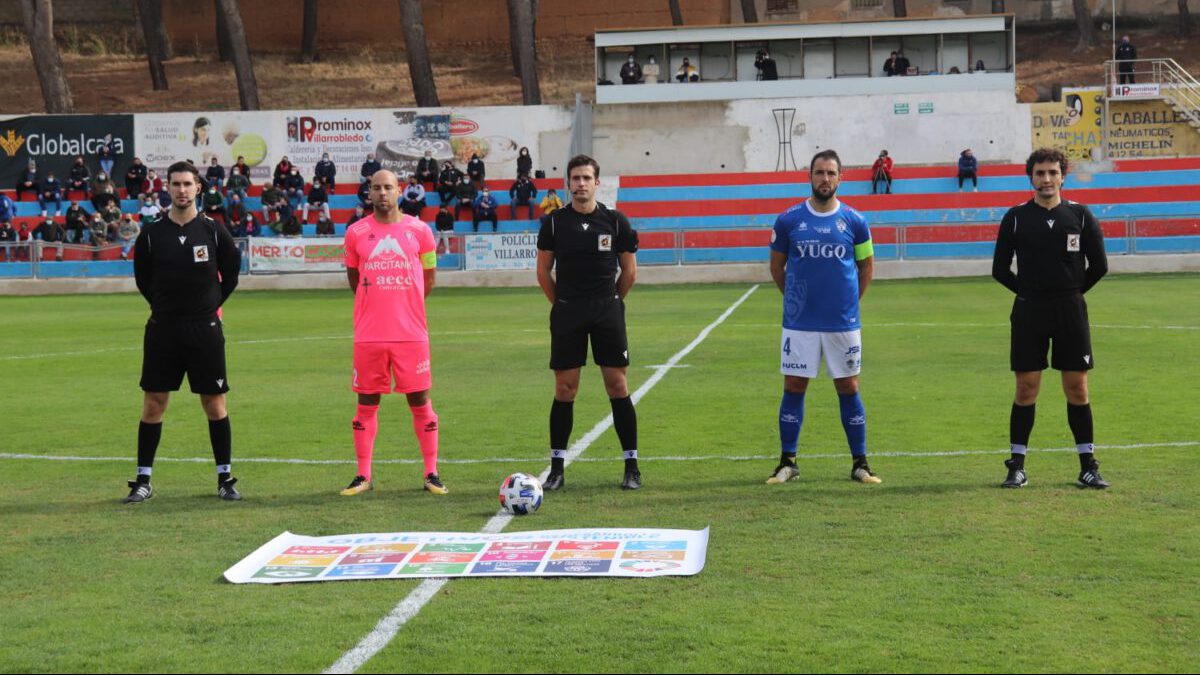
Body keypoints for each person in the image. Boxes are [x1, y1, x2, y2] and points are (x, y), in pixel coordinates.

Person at [992, 148, 1110, 490]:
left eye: (1052, 173)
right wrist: (1028, 293)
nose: (1046, 179)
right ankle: (1016, 466)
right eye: (1040, 173)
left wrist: (1071, 292)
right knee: (1026, 388)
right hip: (1030, 311)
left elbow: (1099, 266)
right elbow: (1000, 270)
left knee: (1077, 388)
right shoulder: (1015, 217)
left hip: (1070, 311)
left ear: (1062, 176)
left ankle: (1088, 466)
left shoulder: (1081, 215)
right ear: (1031, 177)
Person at [125, 160, 242, 504]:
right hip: (163, 329)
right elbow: (143, 279)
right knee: (153, 404)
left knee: (214, 403)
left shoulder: (213, 231)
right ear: (167, 188)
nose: (181, 190)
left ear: (198, 188)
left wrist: (209, 305)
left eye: (187, 184)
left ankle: (225, 478)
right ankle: (143, 480)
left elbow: (232, 274)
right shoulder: (151, 233)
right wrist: (164, 307)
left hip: (204, 330)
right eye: (175, 184)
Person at [766, 149, 880, 486]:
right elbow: (777, 266)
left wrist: (848, 302)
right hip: (800, 323)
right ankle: (788, 462)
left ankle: (860, 463)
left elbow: (866, 267)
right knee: (794, 385)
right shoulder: (788, 220)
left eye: (831, 173)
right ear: (810, 176)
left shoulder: (856, 222)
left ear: (840, 178)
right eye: (819, 173)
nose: (825, 179)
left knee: (848, 385)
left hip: (842, 323)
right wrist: (795, 301)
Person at [536, 155, 641, 491]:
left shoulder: (615, 221)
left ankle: (631, 466)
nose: (580, 184)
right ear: (568, 184)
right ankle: (556, 470)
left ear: (597, 183)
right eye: (575, 178)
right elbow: (543, 272)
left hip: (607, 311)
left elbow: (630, 272)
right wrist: (565, 305)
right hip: (568, 312)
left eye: (586, 178)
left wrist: (611, 304)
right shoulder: (553, 223)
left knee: (618, 385)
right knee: (565, 389)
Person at [340, 169, 445, 497]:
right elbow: (354, 279)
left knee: (420, 399)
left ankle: (431, 472)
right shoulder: (355, 233)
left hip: (411, 333)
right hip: (370, 334)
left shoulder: (421, 231)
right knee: (366, 401)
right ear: (368, 193)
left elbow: (428, 279)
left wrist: (405, 303)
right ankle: (363, 475)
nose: (382, 193)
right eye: (376, 188)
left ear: (400, 191)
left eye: (388, 187)